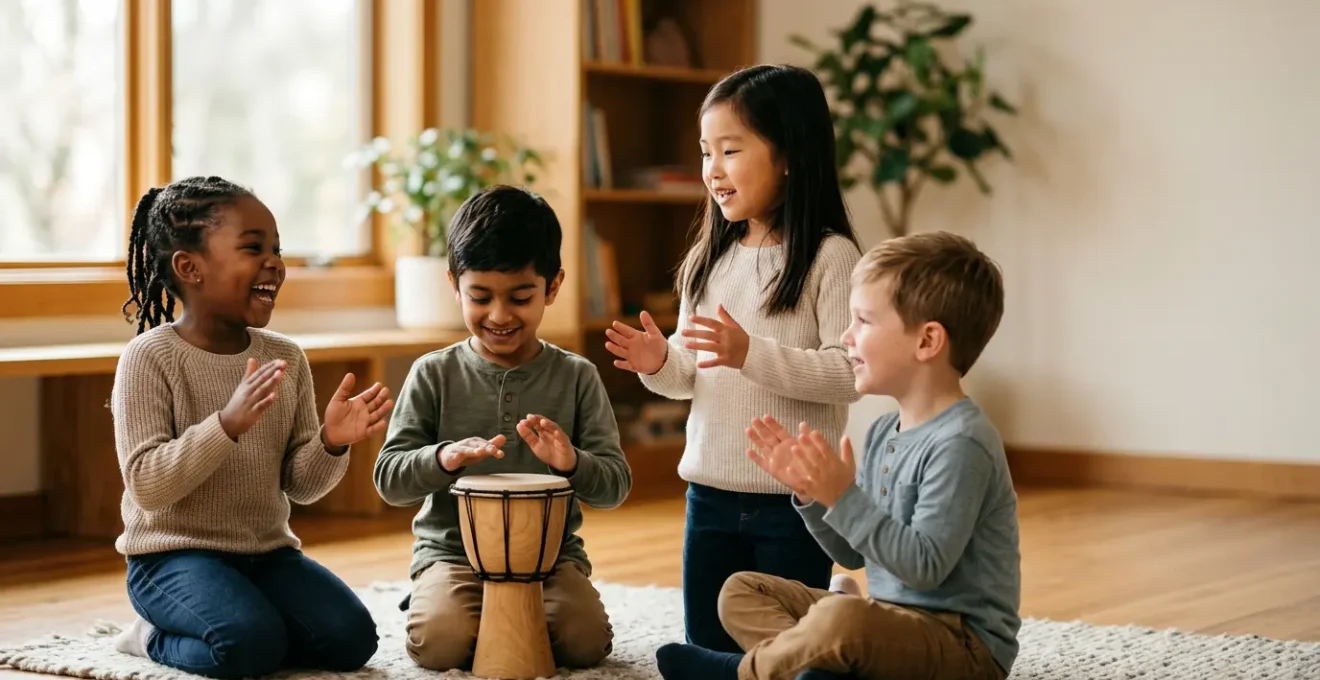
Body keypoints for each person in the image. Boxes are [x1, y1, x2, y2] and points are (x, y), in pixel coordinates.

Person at [655, 231, 1021, 680]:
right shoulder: (885, 431)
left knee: (841, 618)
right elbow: (854, 554)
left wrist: (844, 497)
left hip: (962, 647)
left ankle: (742, 674)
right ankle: (812, 668)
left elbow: (923, 568)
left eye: (863, 321)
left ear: (927, 341)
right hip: (889, 625)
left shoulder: (962, 443)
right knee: (741, 590)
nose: (846, 337)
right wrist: (813, 496)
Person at [605, 63, 863, 653]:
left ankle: (839, 612)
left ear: (788, 155)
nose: (712, 170)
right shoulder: (710, 259)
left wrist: (751, 354)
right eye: (705, 152)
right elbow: (688, 375)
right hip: (710, 495)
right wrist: (657, 362)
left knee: (787, 653)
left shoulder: (831, 258)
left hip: (794, 502)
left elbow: (849, 374)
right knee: (708, 646)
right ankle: (834, 612)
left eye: (730, 150)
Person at [108, 176, 392, 679]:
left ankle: (253, 618)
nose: (274, 263)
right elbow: (147, 485)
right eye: (252, 248)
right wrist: (226, 425)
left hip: (266, 554)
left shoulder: (286, 357)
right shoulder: (148, 357)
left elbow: (300, 487)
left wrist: (330, 443)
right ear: (189, 267)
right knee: (247, 645)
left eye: (276, 249)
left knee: (351, 640)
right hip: (169, 559)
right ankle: (149, 636)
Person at [374, 185, 632, 672]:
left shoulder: (578, 376)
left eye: (520, 297)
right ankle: (436, 597)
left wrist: (572, 462)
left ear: (552, 287)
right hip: (452, 555)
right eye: (480, 297)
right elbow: (389, 479)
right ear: (454, 285)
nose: (498, 315)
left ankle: (490, 615)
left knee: (584, 644)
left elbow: (615, 486)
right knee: (440, 645)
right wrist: (443, 458)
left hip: (551, 559)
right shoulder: (433, 373)